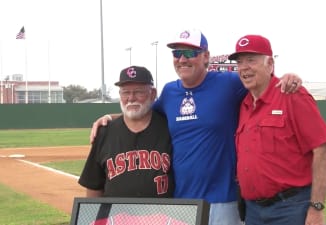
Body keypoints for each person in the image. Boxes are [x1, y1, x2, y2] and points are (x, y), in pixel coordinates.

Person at [89, 29, 302, 225]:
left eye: (190, 53)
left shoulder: (228, 83)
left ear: (206, 57)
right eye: (177, 53)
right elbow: (142, 109)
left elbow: (259, 79)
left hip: (223, 200)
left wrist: (285, 77)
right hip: (181, 200)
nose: (182, 59)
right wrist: (109, 117)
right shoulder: (170, 91)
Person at [229, 34, 326, 225]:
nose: (244, 67)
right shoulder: (244, 104)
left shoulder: (292, 95)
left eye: (251, 60)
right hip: (253, 211)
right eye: (240, 62)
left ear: (270, 64)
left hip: (291, 208)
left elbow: (322, 150)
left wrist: (316, 207)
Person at [79, 65, 174, 198]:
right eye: (125, 92)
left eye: (138, 92)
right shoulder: (104, 133)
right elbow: (94, 185)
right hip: (115, 216)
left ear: (152, 94)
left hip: (161, 216)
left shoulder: (170, 129)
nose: (131, 98)